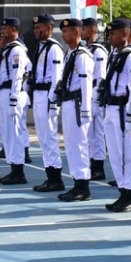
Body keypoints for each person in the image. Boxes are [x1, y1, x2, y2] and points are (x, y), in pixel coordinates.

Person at [102, 18, 131, 212]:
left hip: (122, 109)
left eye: (114, 33)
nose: (110, 36)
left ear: (125, 35)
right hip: (110, 107)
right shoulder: (115, 55)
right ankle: (122, 191)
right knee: (115, 154)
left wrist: (130, 114)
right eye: (110, 33)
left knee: (127, 153)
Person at [55, 18, 94, 201]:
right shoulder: (70, 54)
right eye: (63, 32)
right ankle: (76, 181)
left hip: (78, 104)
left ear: (76, 33)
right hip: (68, 102)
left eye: (67, 31)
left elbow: (86, 83)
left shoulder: (82, 55)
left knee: (79, 144)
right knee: (70, 144)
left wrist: (86, 110)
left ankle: (83, 185)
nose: (63, 35)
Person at [29, 14, 65, 192]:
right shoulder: (41, 47)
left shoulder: (53, 48)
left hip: (47, 94)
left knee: (49, 136)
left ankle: (56, 177)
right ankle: (49, 174)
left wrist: (52, 101)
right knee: (43, 137)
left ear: (49, 28)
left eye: (39, 28)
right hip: (38, 93)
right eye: (35, 28)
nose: (36, 31)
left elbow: (57, 77)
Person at [0, 18, 30, 185]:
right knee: (6, 133)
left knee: (14, 134)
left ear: (14, 29)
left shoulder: (17, 51)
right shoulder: (7, 49)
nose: (2, 31)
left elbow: (17, 76)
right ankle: (14, 167)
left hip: (11, 94)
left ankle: (18, 171)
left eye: (5, 28)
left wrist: (14, 99)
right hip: (4, 92)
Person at [82, 17, 108, 181]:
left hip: (95, 96)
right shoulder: (87, 50)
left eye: (84, 28)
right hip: (88, 95)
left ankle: (98, 166)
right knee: (90, 134)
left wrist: (96, 99)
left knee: (96, 133)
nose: (82, 31)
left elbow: (100, 77)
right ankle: (93, 162)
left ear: (92, 30)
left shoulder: (98, 51)